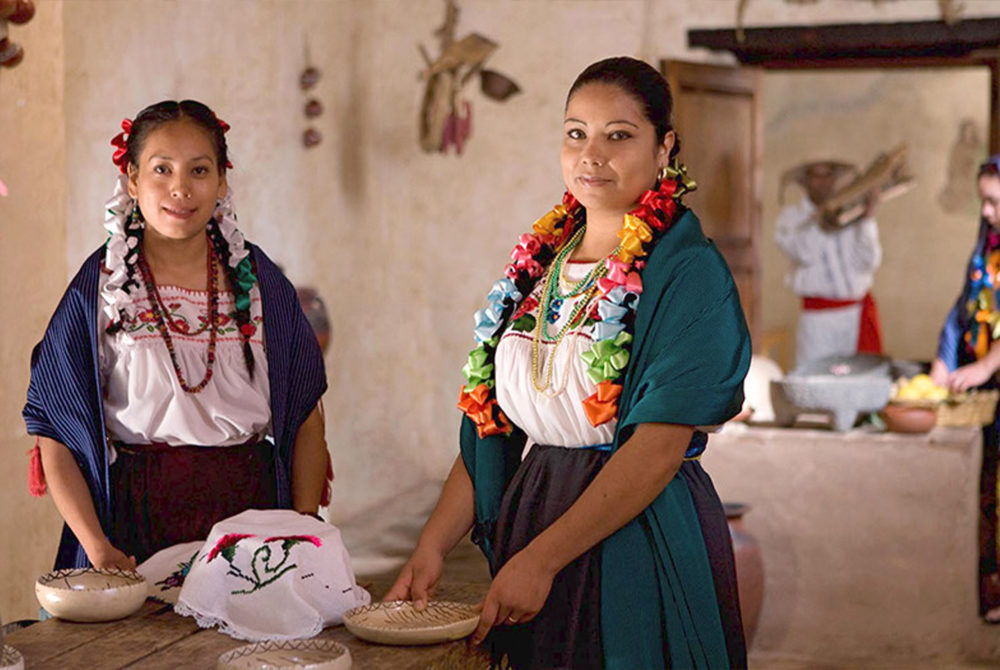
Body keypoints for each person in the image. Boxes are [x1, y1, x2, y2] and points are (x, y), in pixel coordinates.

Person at [386, 57, 751, 669]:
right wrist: (432, 545)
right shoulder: (541, 266)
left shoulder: (688, 273)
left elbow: (658, 447)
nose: (591, 154)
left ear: (664, 148)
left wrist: (543, 560)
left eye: (619, 135)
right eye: (576, 132)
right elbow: (491, 429)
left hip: (637, 534)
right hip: (535, 516)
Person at [23, 100, 330, 571]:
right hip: (135, 526)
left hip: (254, 525)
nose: (180, 189)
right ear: (132, 179)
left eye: (200, 170)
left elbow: (307, 410)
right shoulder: (102, 287)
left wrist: (304, 527)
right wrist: (99, 548)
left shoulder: (259, 281)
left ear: (223, 181)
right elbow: (55, 429)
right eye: (161, 169)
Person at [931, 155, 1000, 623]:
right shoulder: (986, 250)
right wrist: (944, 361)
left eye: (994, 202)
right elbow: (966, 305)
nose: (988, 212)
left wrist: (986, 367)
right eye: (984, 203)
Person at [775, 160, 883, 367]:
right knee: (816, 381)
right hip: (818, 322)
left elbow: (869, 261)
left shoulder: (851, 214)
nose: (823, 182)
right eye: (816, 176)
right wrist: (821, 220)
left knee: (856, 382)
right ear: (806, 182)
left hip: (855, 316)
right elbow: (803, 252)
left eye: (828, 175)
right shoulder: (791, 219)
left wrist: (867, 219)